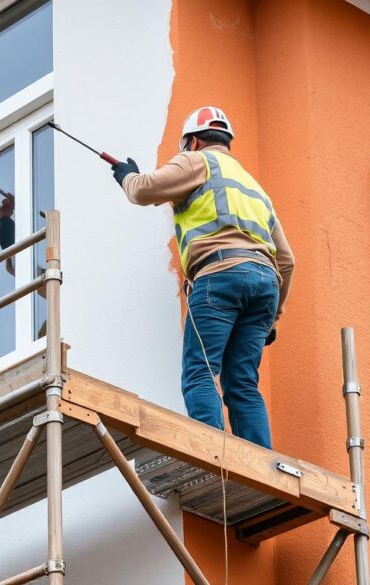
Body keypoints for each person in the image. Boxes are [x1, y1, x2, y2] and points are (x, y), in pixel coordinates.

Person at [110, 106, 295, 449]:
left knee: (201, 372)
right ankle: (260, 462)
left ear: (193, 141)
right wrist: (273, 317)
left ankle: (214, 456)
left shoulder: (197, 161)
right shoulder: (254, 188)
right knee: (242, 383)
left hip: (219, 275)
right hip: (266, 285)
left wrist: (127, 175)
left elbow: (142, 191)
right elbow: (287, 260)